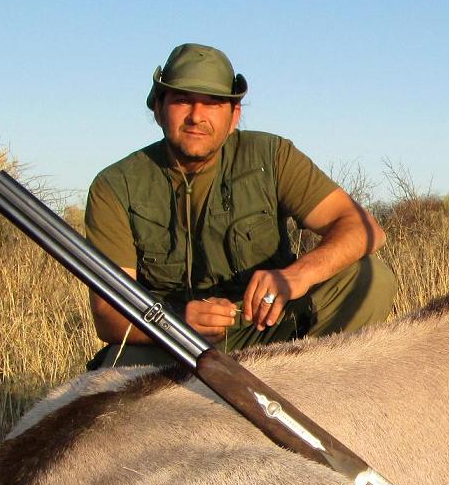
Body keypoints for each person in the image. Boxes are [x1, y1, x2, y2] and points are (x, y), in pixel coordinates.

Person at [83, 43, 395, 368]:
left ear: (234, 116)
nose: (196, 116)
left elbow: (363, 227)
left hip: (268, 326)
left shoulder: (271, 156)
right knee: (111, 384)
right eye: (181, 100)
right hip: (171, 340)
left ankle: (317, 393)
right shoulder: (115, 186)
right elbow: (108, 316)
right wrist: (175, 320)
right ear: (158, 109)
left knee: (370, 277)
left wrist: (297, 275)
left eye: (213, 103)